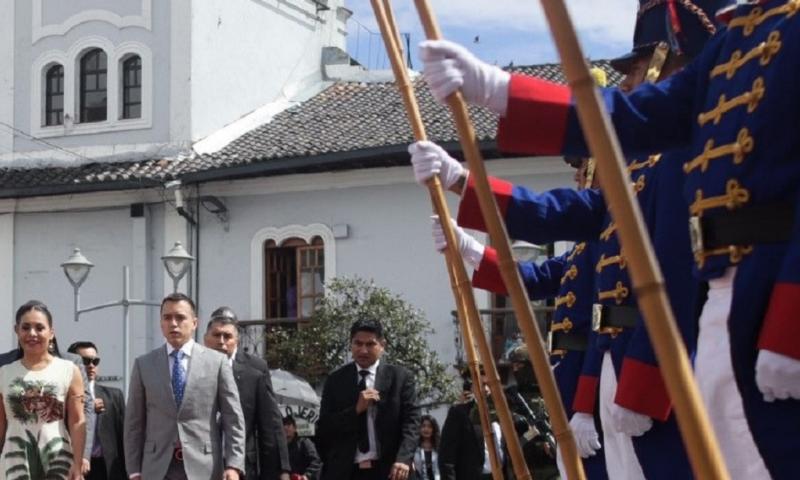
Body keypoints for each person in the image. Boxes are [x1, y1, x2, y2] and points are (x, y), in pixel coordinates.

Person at [417, 0, 800, 477]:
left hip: (769, 299)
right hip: (724, 303)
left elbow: (669, 265)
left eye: (637, 66)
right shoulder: (736, 40)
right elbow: (626, 125)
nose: (628, 79)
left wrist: (791, 324)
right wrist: (498, 92)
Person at [124, 293, 246, 480]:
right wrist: (134, 470)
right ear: (161, 323)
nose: (173, 323)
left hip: (204, 467)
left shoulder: (216, 362)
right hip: (156, 468)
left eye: (180, 317)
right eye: (167, 317)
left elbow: (233, 418)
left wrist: (234, 465)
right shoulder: (144, 365)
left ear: (195, 323)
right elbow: (134, 422)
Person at [316, 318, 420, 480]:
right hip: (347, 472)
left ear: (382, 345)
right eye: (358, 344)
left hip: (390, 470)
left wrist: (403, 459)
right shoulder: (335, 381)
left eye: (370, 344)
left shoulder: (400, 378)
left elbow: (412, 423)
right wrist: (355, 410)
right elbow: (324, 428)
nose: (363, 350)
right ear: (351, 345)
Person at [0, 300, 86, 480]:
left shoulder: (69, 370)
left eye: (40, 328)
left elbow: (77, 421)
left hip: (58, 461)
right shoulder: (4, 373)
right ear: (17, 331)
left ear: (51, 332)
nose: (32, 334)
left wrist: (77, 465)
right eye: (25, 328)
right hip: (14, 463)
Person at [204, 306, 291, 480]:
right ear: (206, 338)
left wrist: (282, 471)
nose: (221, 341)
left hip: (242, 469)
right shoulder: (193, 367)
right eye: (216, 335)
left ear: (237, 339)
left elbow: (270, 424)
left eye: (227, 336)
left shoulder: (255, 369)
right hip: (201, 465)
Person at [67, 341, 127, 480]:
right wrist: (86, 408)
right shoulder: (62, 396)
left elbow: (124, 437)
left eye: (95, 361)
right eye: (85, 361)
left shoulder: (113, 396)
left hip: (107, 469)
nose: (91, 366)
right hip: (74, 467)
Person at [438, 370, 505, 480]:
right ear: (472, 387)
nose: (487, 390)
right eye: (483, 385)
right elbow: (447, 456)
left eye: (490, 385)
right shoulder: (460, 413)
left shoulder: (503, 413)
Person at [283, 415, 321, 480]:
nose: (285, 427)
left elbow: (316, 461)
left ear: (295, 428)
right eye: (283, 425)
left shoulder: (304, 442)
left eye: (288, 425)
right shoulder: (279, 446)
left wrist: (307, 476)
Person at [412, 415, 440, 480]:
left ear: (434, 429)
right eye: (423, 426)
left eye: (429, 426)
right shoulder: (413, 447)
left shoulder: (439, 447)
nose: (426, 429)